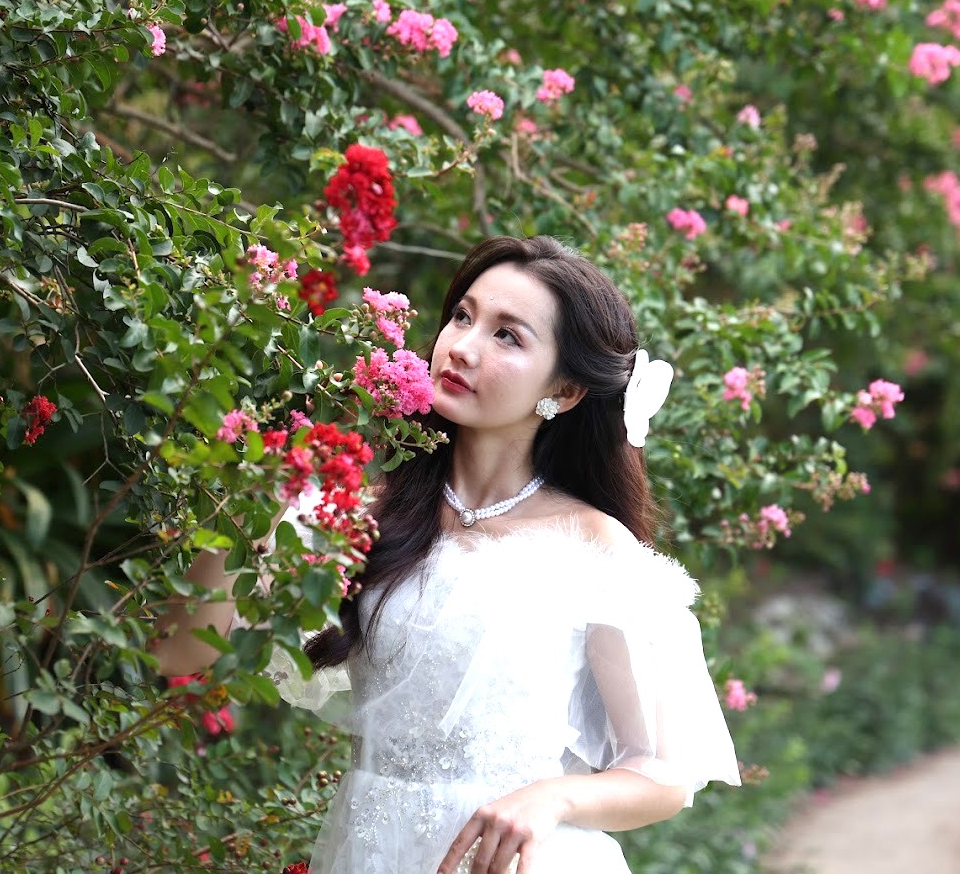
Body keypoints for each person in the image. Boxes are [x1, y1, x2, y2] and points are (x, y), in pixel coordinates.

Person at [153, 236, 741, 874]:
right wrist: (241, 511)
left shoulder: (591, 546)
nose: (461, 346)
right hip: (371, 852)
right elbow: (182, 652)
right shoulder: (360, 516)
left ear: (565, 391)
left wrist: (553, 797)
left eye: (507, 336)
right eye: (463, 316)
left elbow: (660, 774)